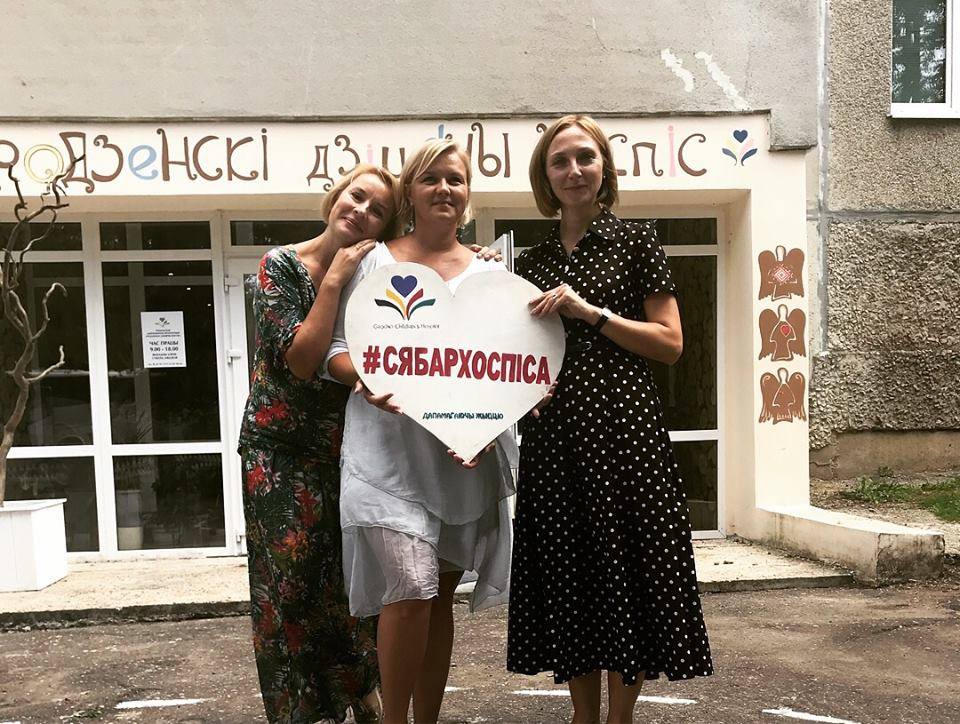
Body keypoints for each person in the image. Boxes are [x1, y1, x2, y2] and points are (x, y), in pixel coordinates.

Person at [507, 115, 714, 724]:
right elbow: (515, 356)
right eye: (560, 161)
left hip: (626, 436)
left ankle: (619, 718)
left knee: (630, 572)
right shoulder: (532, 260)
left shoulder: (637, 242)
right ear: (545, 176)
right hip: (556, 440)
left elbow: (670, 343)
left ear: (604, 168)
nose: (574, 171)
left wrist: (590, 312)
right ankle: (583, 716)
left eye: (585, 158)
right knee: (570, 576)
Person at [326, 139, 517, 724]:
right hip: (385, 457)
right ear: (410, 189)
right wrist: (362, 376)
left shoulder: (491, 272)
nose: (444, 189)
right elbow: (337, 350)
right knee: (410, 588)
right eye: (431, 178)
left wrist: (491, 423)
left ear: (468, 194)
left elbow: (506, 366)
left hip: (462, 462)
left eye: (455, 179)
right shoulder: (373, 262)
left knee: (438, 600)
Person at [238, 164, 400, 723]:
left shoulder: (376, 274)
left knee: (349, 583)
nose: (361, 211)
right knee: (291, 586)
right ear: (336, 196)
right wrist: (332, 281)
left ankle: (362, 694)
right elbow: (303, 360)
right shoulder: (280, 265)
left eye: (378, 210)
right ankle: (302, 712)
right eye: (357, 196)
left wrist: (474, 259)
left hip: (345, 449)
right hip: (278, 451)